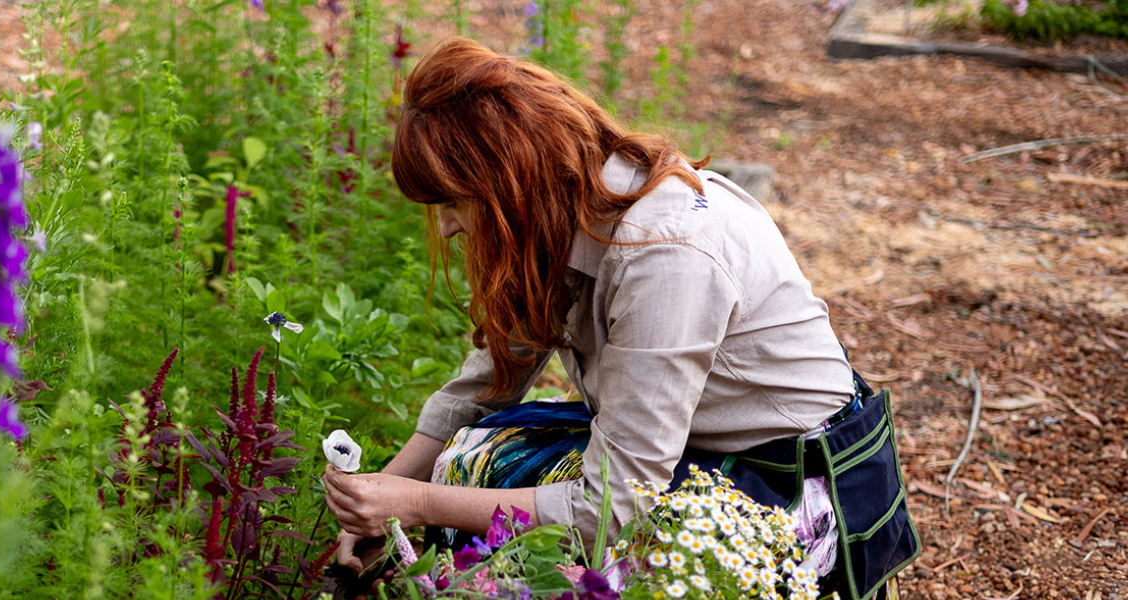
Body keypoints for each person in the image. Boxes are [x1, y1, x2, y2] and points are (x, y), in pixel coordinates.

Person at [321, 37, 917, 600]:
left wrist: (416, 503)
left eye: (453, 202)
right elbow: (491, 380)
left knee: (556, 544)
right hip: (699, 451)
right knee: (472, 457)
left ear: (509, 183)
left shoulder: (664, 255)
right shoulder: (565, 205)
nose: (448, 226)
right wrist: (375, 498)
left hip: (790, 482)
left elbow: (608, 511)